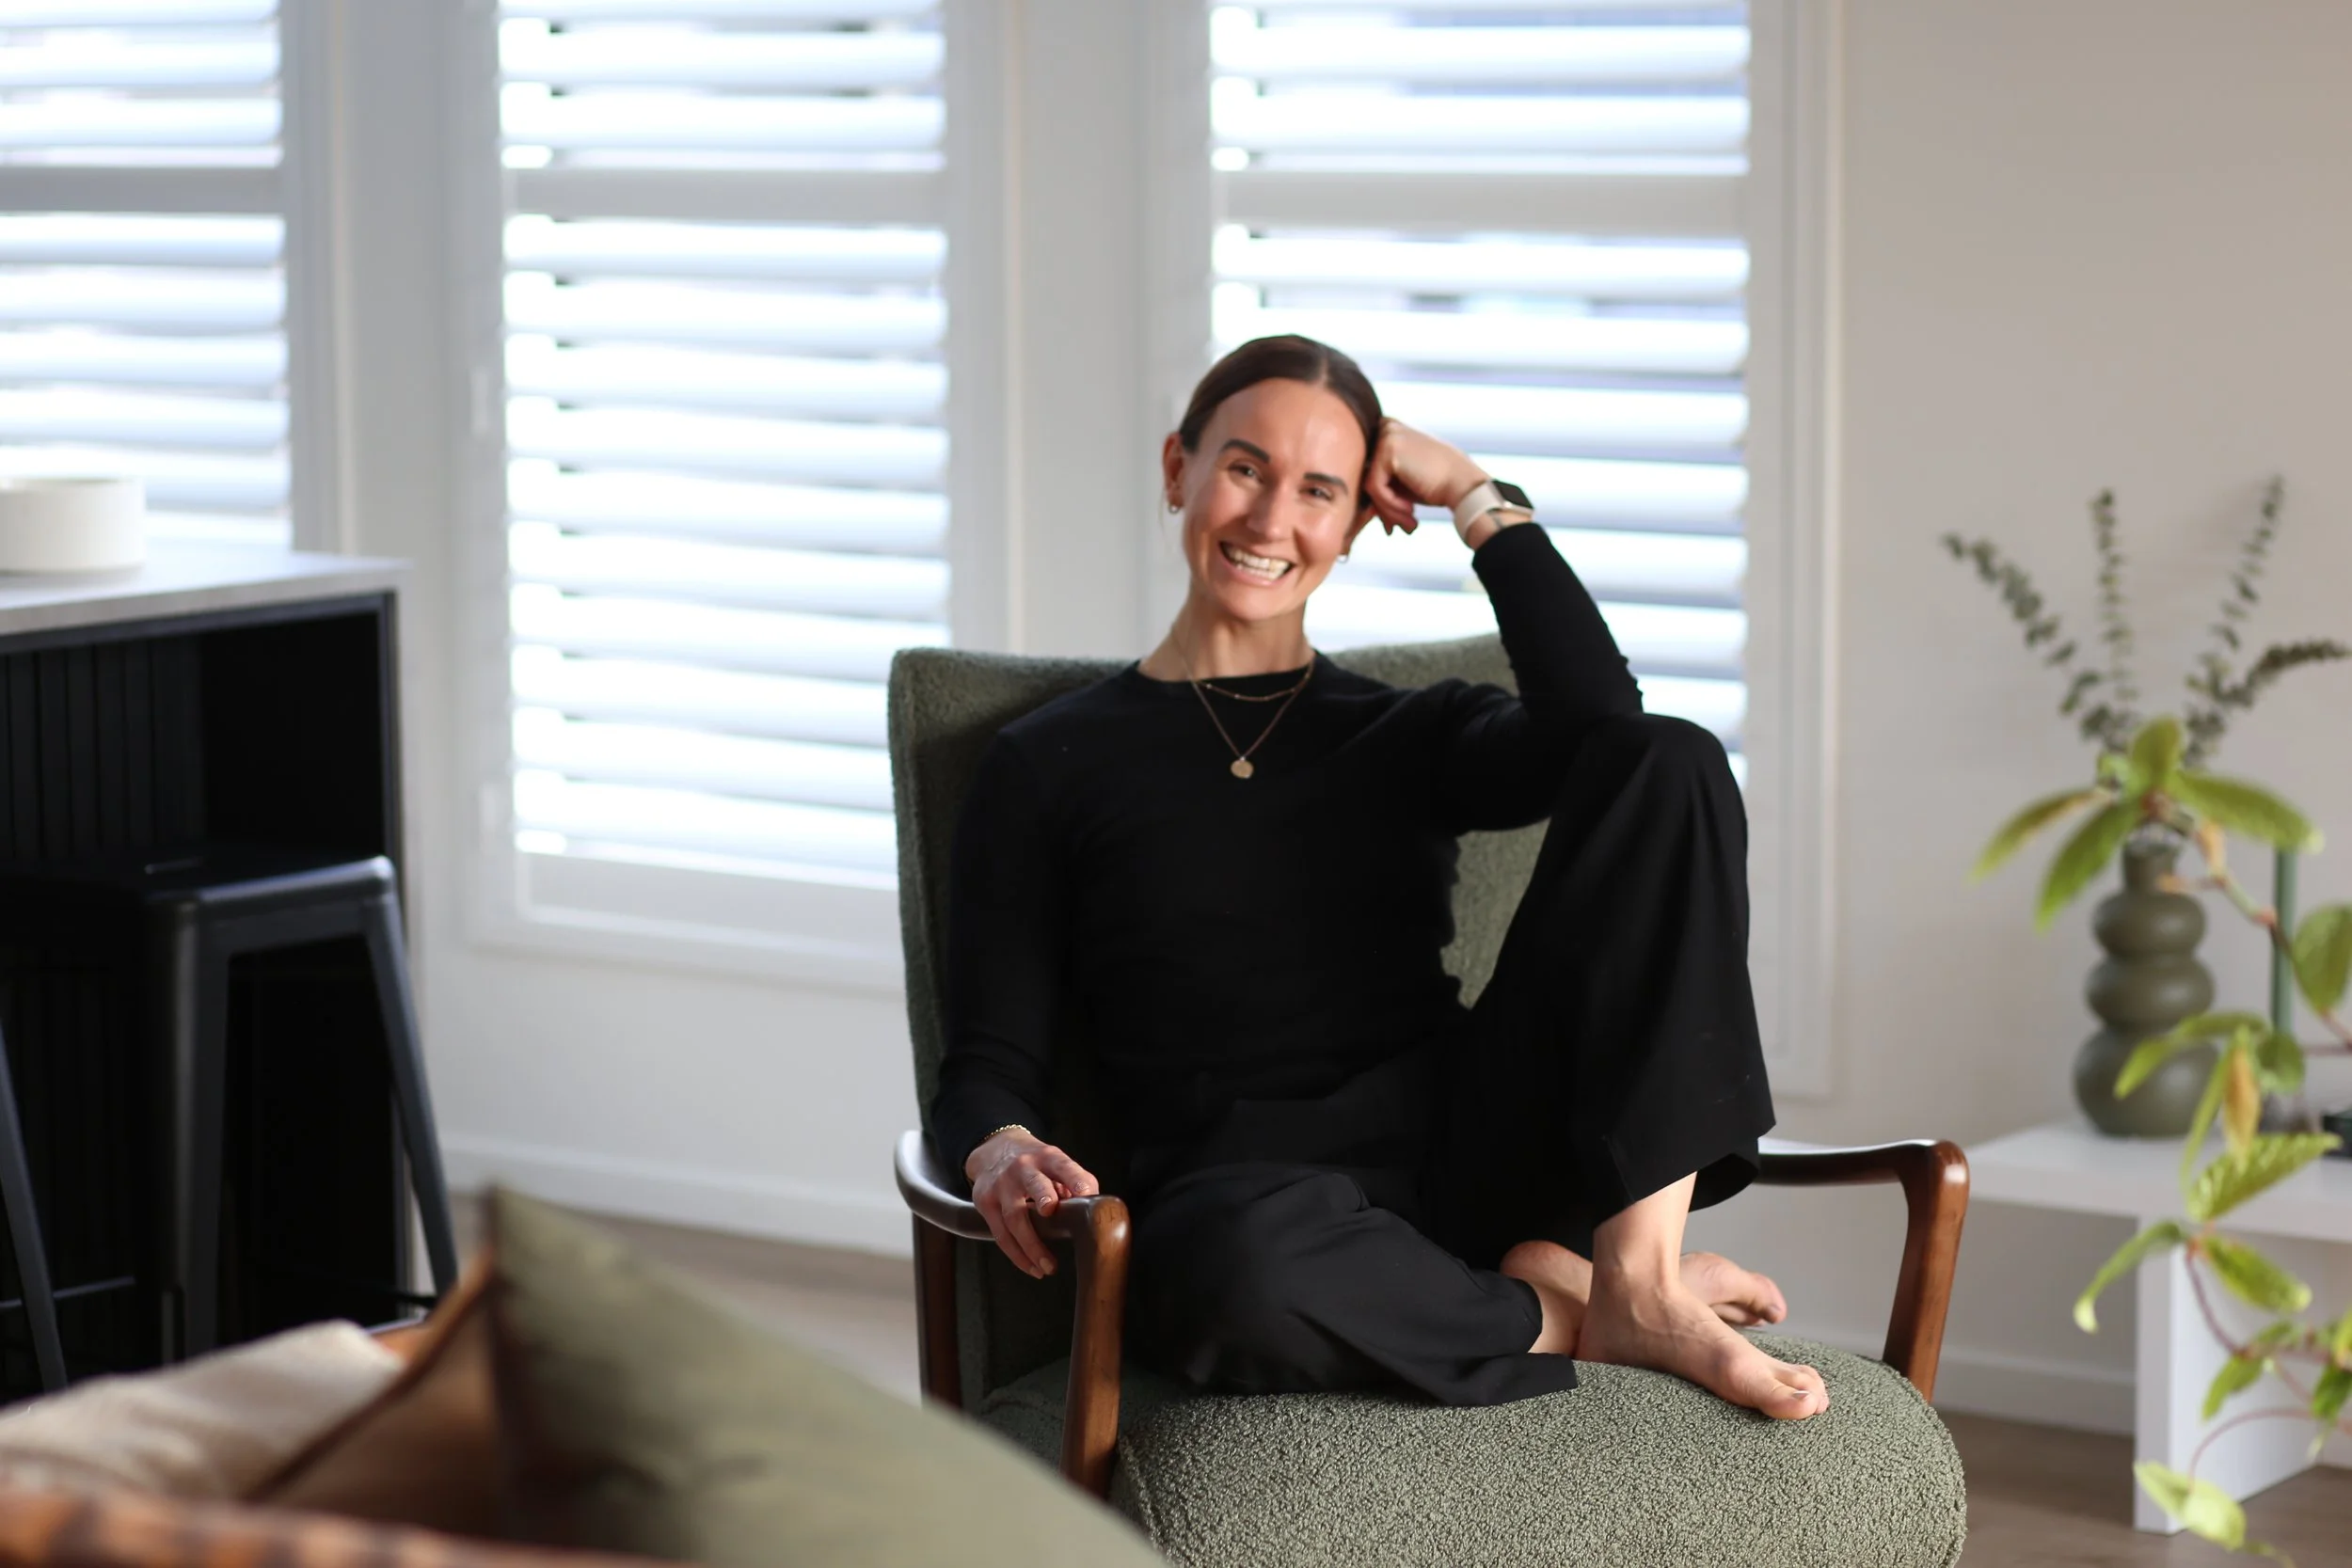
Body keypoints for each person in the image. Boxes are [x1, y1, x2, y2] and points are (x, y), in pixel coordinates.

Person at [930, 335, 1825, 1419]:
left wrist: (1475, 496)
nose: (1269, 521)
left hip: (1471, 1156)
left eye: (1319, 489)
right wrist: (1003, 1144)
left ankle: (1636, 1271)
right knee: (1228, 1273)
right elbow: (988, 1058)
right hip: (1255, 1201)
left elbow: (1607, 729)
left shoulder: (1410, 730)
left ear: (1357, 521)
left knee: (1673, 757)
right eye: (1245, 467)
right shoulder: (1046, 762)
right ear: (1179, 468)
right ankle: (1581, 1305)